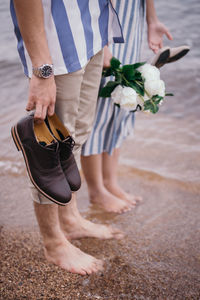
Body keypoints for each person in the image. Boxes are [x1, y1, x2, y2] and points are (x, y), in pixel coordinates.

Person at [10, 0, 125, 275]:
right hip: (57, 47)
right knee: (47, 150)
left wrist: (102, 37)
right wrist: (42, 69)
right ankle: (53, 243)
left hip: (91, 33)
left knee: (76, 136)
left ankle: (71, 220)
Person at [81, 0, 173, 213]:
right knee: (98, 107)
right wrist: (101, 43)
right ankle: (96, 190)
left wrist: (152, 20)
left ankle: (110, 182)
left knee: (123, 100)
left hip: (131, 18)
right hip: (103, 20)